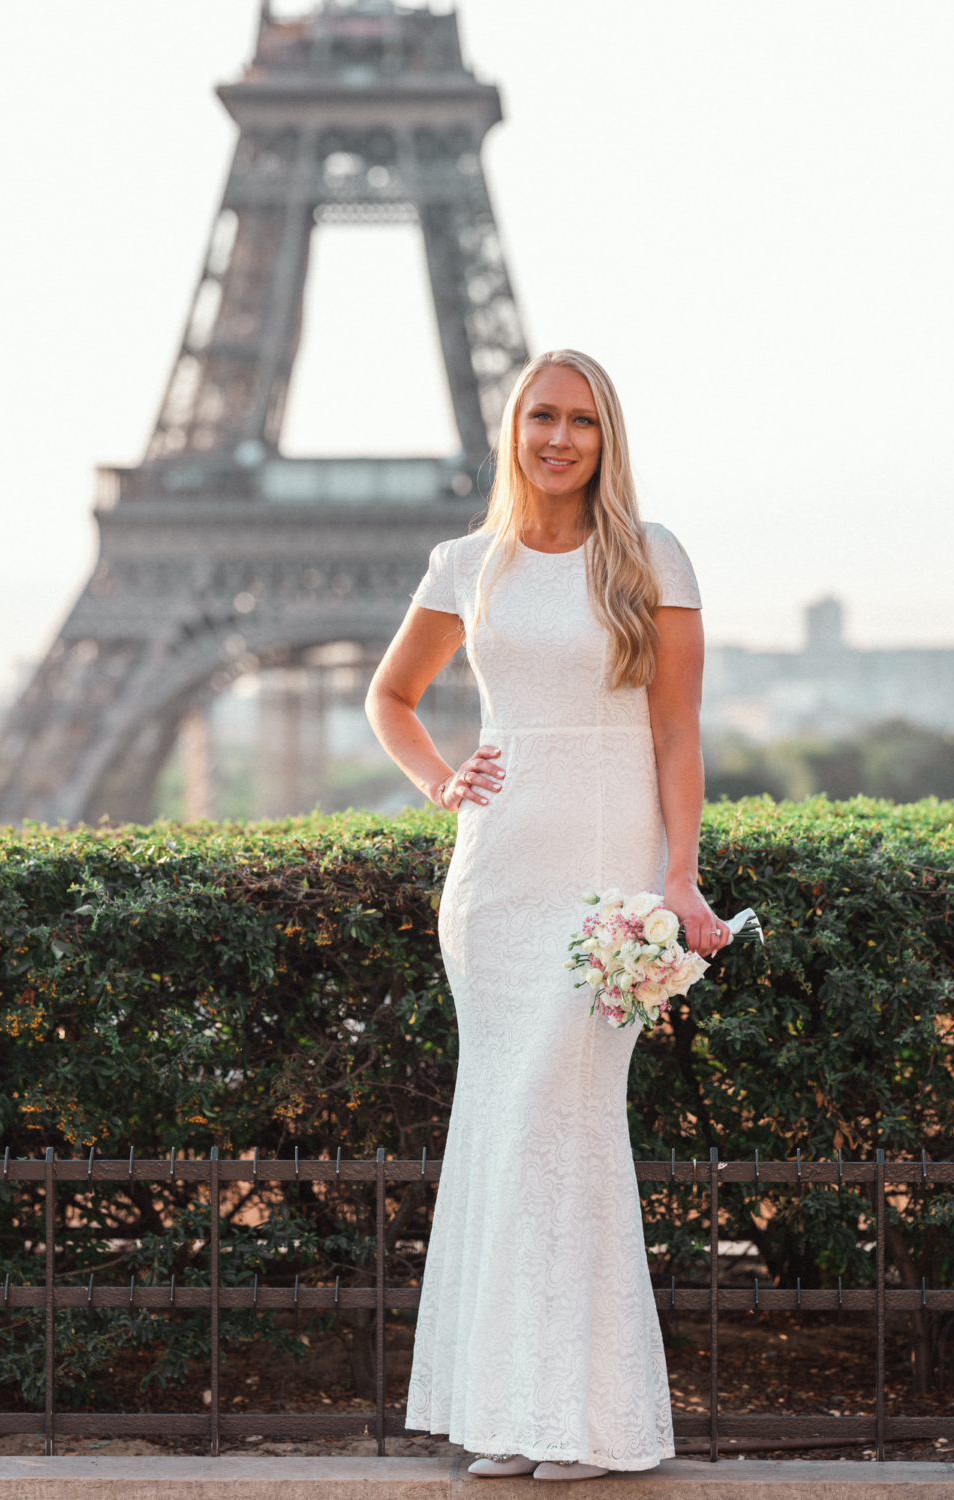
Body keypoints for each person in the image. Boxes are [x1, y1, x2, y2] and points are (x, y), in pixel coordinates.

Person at [365, 349, 731, 1480]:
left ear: (603, 435)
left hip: (608, 874)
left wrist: (679, 877)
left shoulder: (649, 556)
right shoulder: (464, 563)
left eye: (579, 420)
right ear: (511, 428)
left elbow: (675, 733)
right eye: (540, 417)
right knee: (505, 1131)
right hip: (499, 879)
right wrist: (439, 780)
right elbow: (390, 696)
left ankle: (576, 1422)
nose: (558, 437)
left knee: (561, 1125)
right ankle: (512, 1418)